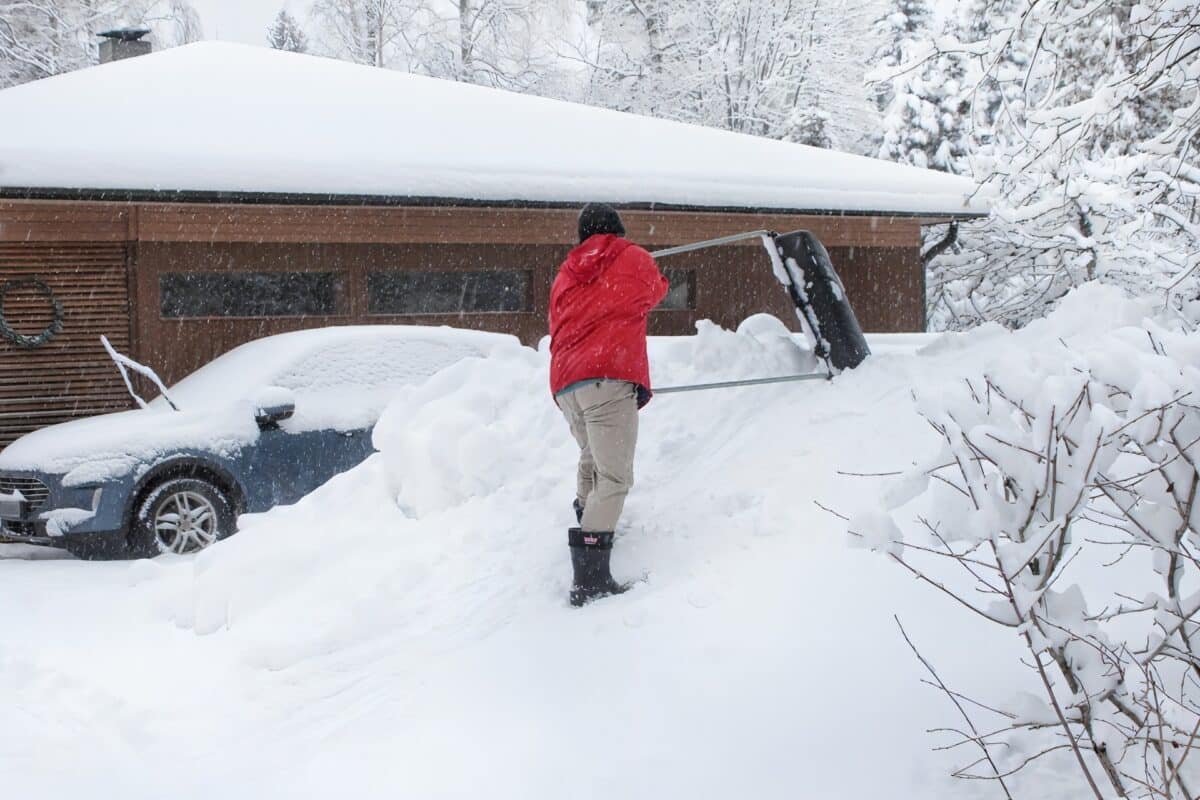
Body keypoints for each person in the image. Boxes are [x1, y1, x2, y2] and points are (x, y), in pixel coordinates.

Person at [548, 203, 670, 607]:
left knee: (591, 459)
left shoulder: (565, 272)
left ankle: (589, 521)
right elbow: (656, 291)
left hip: (567, 382)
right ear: (616, 229)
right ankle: (590, 579)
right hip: (606, 374)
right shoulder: (630, 257)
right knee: (614, 477)